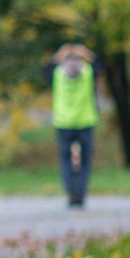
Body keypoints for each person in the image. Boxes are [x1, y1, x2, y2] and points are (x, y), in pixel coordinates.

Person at [44, 42, 102, 208]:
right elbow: (100, 65)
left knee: (66, 160)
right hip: (85, 121)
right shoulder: (87, 72)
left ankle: (71, 193)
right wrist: (85, 53)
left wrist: (58, 56)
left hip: (63, 122)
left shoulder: (58, 74)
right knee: (85, 161)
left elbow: (45, 69)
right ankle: (80, 193)